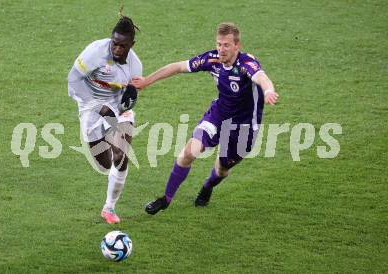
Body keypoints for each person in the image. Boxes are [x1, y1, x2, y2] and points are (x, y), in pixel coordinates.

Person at [132, 22, 279, 215]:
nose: (221, 49)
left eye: (226, 45)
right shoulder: (211, 59)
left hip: (244, 127)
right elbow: (178, 66)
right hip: (218, 115)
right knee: (188, 152)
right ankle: (165, 199)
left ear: (237, 46)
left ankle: (208, 186)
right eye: (219, 44)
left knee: (222, 168)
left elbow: (260, 77)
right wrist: (146, 81)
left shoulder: (246, 64)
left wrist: (269, 90)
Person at [67, 14, 142, 224]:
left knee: (121, 153)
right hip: (89, 105)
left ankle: (109, 207)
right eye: (114, 43)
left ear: (132, 45)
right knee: (104, 164)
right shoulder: (95, 52)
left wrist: (131, 95)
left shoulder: (135, 66)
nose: (117, 49)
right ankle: (108, 163)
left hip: (116, 108)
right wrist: (98, 107)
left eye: (122, 46)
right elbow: (73, 81)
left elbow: (131, 95)